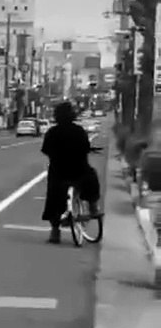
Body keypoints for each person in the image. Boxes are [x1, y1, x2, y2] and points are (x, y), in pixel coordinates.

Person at [40, 101, 100, 244]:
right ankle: (93, 207)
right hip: (79, 171)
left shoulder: (52, 132)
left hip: (59, 172)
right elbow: (86, 147)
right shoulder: (79, 131)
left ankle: (55, 230)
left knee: (53, 197)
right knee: (92, 179)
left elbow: (46, 150)